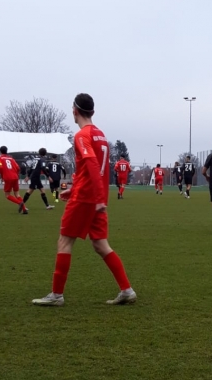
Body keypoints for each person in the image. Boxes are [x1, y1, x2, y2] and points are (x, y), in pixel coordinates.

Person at [32, 93, 136, 307]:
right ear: (93, 112)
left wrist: (95, 197)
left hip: (87, 199)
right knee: (100, 244)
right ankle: (126, 289)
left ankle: (57, 295)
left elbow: (90, 166)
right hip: (94, 197)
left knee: (64, 240)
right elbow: (95, 169)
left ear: (74, 110)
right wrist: (73, 189)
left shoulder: (81, 136)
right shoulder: (101, 135)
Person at [0, 146, 27, 213]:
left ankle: (19, 203)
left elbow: (0, 167)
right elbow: (18, 168)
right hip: (15, 177)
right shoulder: (11, 158)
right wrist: (16, 174)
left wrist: (2, 177)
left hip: (7, 178)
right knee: (17, 194)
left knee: (7, 195)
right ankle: (24, 209)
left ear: (0, 151)